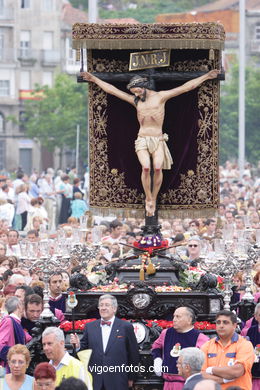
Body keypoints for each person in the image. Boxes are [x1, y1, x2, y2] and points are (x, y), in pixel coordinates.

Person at [81, 69, 219, 216]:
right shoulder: (135, 100)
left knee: (158, 168)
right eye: (134, 92)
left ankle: (153, 197)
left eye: (138, 92)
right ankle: (148, 198)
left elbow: (186, 87)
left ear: (144, 87)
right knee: (146, 167)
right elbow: (113, 91)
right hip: (142, 139)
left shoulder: (160, 97)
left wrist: (207, 76)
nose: (136, 95)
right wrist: (93, 79)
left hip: (158, 140)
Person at [70, 293, 140, 390]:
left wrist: (131, 377)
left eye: (107, 305)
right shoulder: (90, 327)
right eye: (101, 305)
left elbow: (133, 354)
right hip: (95, 379)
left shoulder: (125, 327)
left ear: (114, 308)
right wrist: (77, 346)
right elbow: (84, 351)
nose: (103, 308)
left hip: (118, 380)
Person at [151, 306, 209, 390]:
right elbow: (156, 347)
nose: (174, 319)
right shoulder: (166, 333)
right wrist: (157, 359)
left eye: (178, 317)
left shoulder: (200, 338)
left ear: (189, 320)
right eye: (174, 316)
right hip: (167, 383)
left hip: (187, 385)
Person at [201, 310, 255, 389]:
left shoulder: (245, 345)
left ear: (234, 325)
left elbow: (237, 371)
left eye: (225, 322)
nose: (221, 325)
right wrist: (224, 379)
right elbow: (202, 375)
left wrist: (211, 369)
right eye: (218, 322)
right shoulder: (207, 346)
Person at [0, 296, 31, 367]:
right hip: (9, 368)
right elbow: (0, 345)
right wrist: (15, 355)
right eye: (22, 304)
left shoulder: (16, 322)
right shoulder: (8, 321)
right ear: (19, 306)